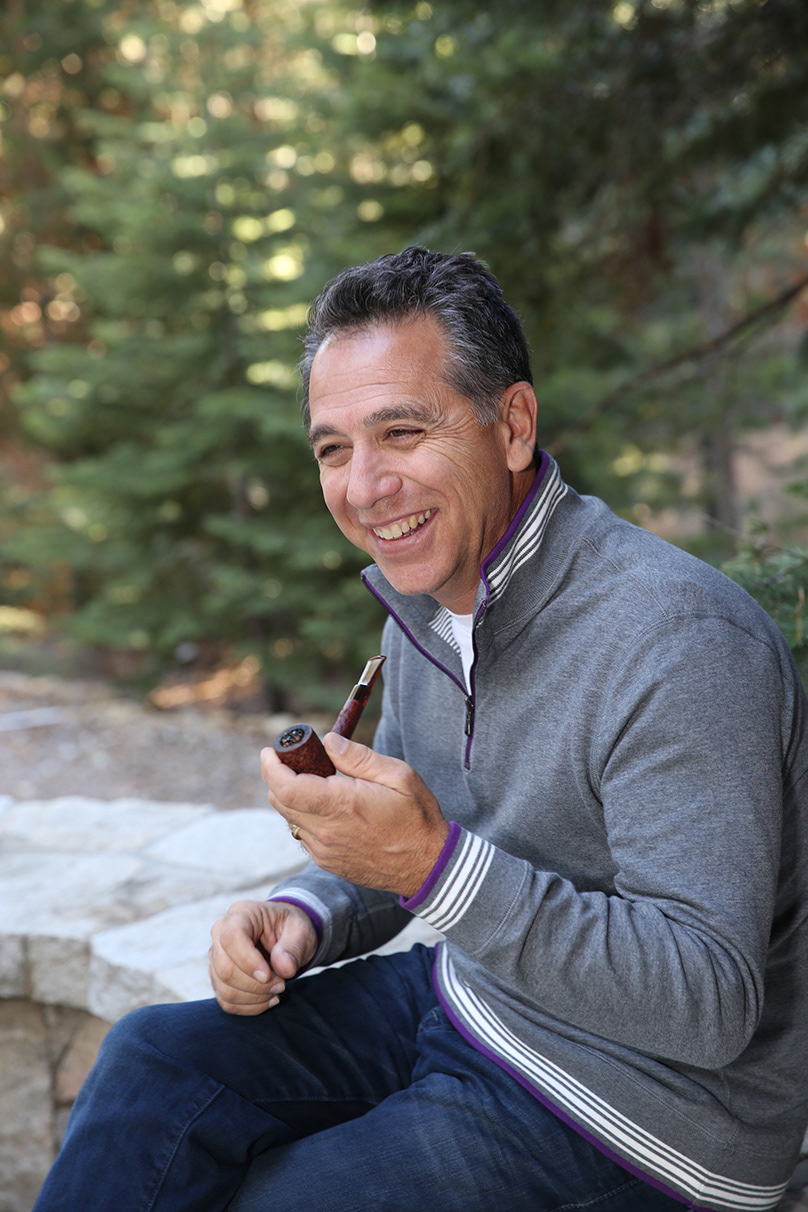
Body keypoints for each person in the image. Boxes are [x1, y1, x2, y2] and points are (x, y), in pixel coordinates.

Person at [34, 247, 808, 1212]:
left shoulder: (679, 641)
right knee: (153, 1061)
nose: (363, 488)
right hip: (475, 1002)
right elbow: (401, 842)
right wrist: (305, 914)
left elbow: (708, 1002)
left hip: (651, 1112)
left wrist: (433, 868)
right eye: (333, 448)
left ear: (512, 424)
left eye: (401, 431)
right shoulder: (435, 603)